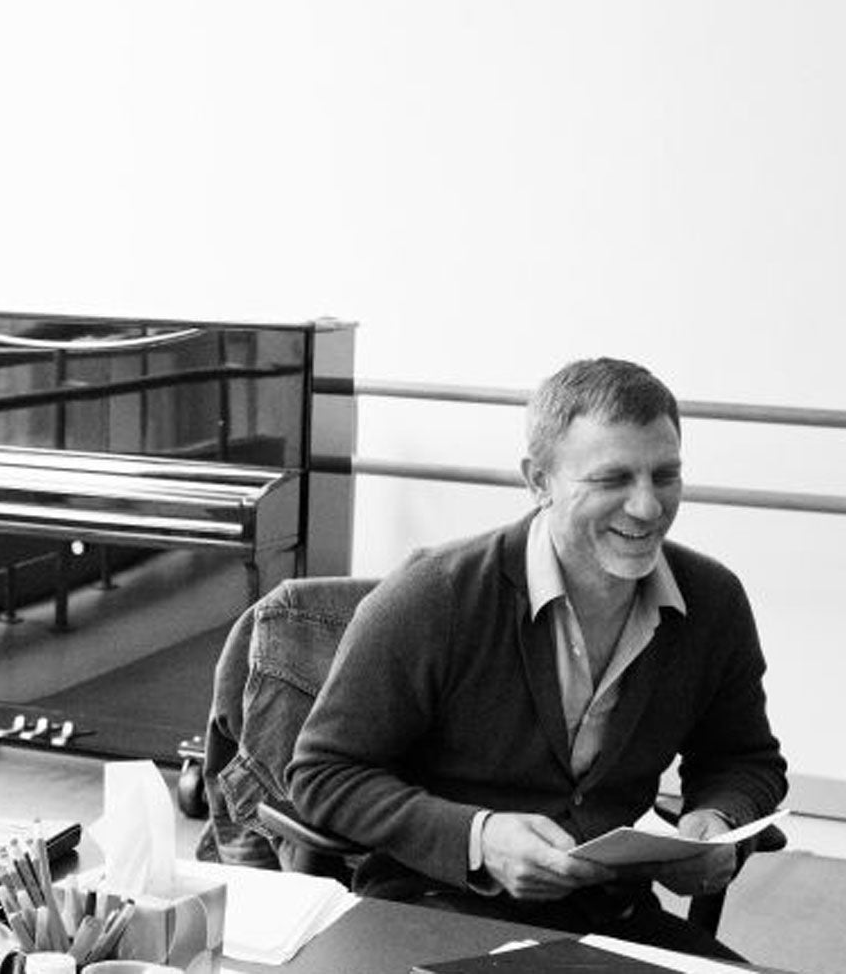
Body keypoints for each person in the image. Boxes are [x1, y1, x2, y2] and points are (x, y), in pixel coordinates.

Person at [288, 357, 786, 959]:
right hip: (435, 910)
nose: (648, 507)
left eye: (665, 475)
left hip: (611, 920)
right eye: (612, 480)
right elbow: (323, 775)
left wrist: (717, 819)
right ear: (538, 481)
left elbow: (745, 759)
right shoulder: (435, 597)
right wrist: (479, 837)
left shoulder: (713, 601)